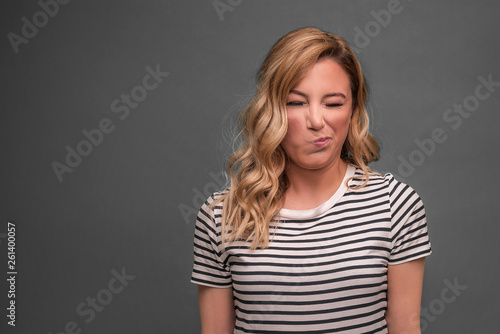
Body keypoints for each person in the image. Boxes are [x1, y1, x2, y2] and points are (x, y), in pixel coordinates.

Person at [190, 27, 431, 334]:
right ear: (270, 111)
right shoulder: (222, 215)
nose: (317, 121)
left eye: (333, 103)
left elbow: (405, 326)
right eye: (295, 102)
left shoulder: (396, 204)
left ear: (353, 111)